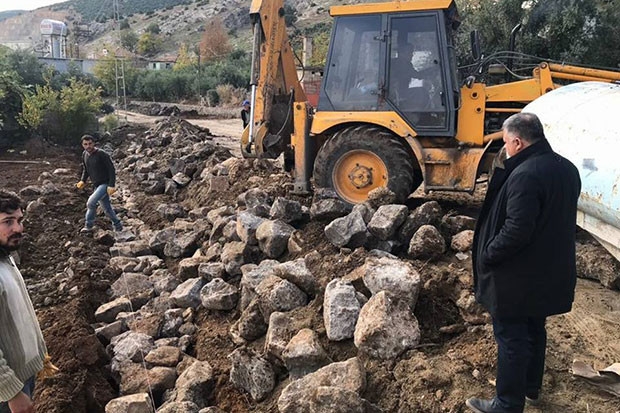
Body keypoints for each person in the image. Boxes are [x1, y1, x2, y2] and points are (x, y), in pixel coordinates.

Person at [467, 112, 581, 413]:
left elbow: (518, 229)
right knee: (534, 328)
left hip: (518, 275)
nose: (504, 148)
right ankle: (531, 387)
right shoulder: (566, 169)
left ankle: (507, 403)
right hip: (548, 270)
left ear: (517, 141)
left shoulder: (526, 174)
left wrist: (488, 254)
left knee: (512, 336)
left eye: (505, 142)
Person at [0, 190, 52, 413]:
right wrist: (11, 393)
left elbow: (22, 312)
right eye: (7, 222)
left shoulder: (6, 258)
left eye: (19, 220)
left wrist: (41, 356)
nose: (18, 228)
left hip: (21, 376)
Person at [76, 134, 122, 233]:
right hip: (96, 185)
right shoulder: (84, 154)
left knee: (91, 203)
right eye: (85, 144)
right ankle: (118, 225)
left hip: (105, 184)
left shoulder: (102, 154)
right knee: (107, 209)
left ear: (94, 143)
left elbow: (111, 170)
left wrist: (111, 185)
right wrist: (82, 180)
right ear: (82, 145)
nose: (88, 146)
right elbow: (86, 169)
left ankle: (88, 226)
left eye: (90, 144)